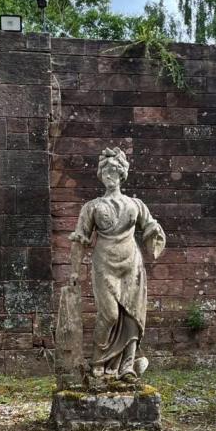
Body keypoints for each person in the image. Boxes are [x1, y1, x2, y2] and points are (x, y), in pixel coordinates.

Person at [66, 147, 166, 381]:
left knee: (132, 315)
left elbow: (150, 226)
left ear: (122, 174)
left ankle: (127, 366)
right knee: (109, 314)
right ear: (100, 175)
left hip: (132, 263)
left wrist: (155, 236)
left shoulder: (136, 204)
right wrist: (74, 271)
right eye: (105, 171)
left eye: (114, 170)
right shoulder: (92, 207)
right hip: (104, 263)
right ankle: (98, 360)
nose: (109, 175)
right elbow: (80, 240)